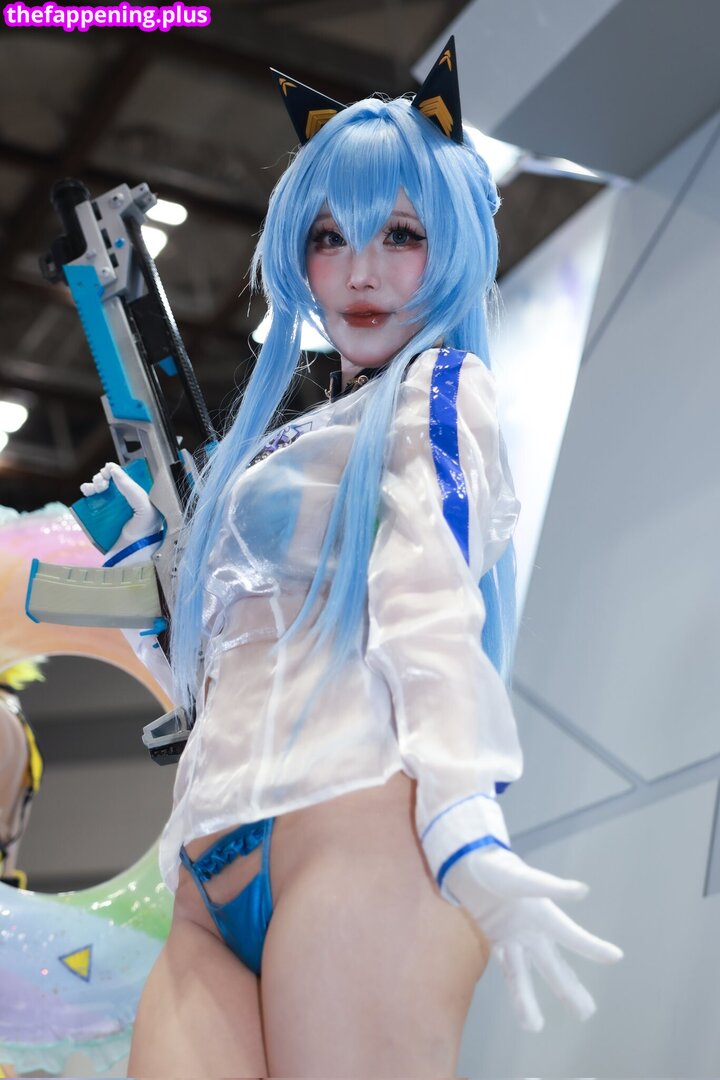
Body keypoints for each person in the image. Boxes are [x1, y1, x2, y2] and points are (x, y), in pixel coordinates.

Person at [82, 38, 622, 1078]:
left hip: (357, 831)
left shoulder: (438, 394)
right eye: (330, 236)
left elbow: (429, 602)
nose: (361, 270)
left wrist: (461, 816)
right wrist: (161, 582)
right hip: (210, 864)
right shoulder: (268, 447)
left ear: (453, 245)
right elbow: (219, 675)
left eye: (401, 234)